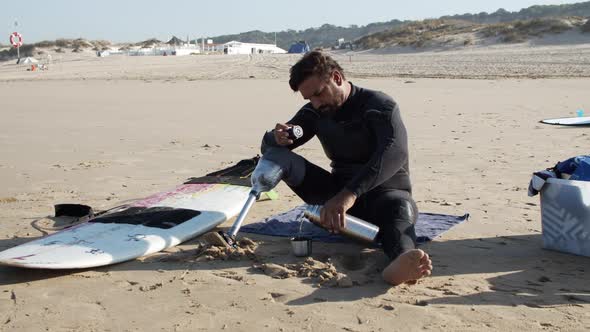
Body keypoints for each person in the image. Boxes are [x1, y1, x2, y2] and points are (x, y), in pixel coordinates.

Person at [260, 50, 432, 285]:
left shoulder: (379, 106)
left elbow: (395, 153)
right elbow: (272, 149)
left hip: (386, 194)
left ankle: (404, 260)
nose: (316, 103)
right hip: (336, 203)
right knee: (280, 156)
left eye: (319, 93)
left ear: (337, 78)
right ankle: (358, 227)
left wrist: (349, 194)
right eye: (309, 98)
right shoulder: (314, 112)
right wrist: (275, 137)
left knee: (399, 212)